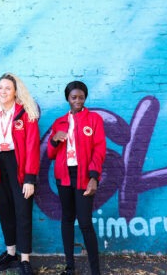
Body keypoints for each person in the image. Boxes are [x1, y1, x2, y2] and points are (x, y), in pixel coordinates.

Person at [0, 73, 41, 275]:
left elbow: (32, 147)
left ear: (15, 91)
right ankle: (11, 252)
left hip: (19, 165)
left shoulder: (26, 113)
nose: (3, 91)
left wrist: (30, 178)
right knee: (4, 209)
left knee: (22, 211)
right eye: (0, 87)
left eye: (7, 88)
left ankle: (24, 258)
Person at [47, 81, 106, 275]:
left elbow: (99, 149)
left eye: (81, 97)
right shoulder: (59, 123)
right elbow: (50, 153)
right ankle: (70, 267)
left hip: (84, 176)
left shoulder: (94, 119)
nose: (78, 101)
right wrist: (55, 140)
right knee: (67, 219)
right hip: (64, 177)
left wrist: (94, 177)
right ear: (68, 99)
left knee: (85, 222)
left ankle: (95, 270)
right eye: (74, 97)